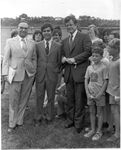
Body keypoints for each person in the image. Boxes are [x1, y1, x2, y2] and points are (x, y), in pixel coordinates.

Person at [2, 22, 37, 132]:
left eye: (25, 28)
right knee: (13, 99)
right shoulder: (10, 41)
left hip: (28, 74)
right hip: (15, 74)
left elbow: (34, 58)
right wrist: (4, 74)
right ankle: (12, 124)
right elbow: (6, 59)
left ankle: (19, 121)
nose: (23, 30)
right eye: (21, 28)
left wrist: (34, 69)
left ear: (28, 30)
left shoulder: (32, 43)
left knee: (24, 99)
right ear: (17, 29)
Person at [61, 15, 92, 133]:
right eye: (67, 25)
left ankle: (78, 123)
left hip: (79, 73)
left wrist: (74, 59)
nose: (69, 27)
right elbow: (62, 54)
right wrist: (63, 58)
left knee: (79, 100)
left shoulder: (84, 37)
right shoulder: (64, 40)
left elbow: (88, 51)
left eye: (71, 24)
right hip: (68, 74)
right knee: (70, 99)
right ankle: (70, 121)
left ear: (76, 25)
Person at [35, 23, 61, 125]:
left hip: (52, 75)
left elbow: (59, 62)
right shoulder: (37, 45)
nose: (46, 33)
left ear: (51, 32)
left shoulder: (58, 46)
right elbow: (36, 60)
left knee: (51, 97)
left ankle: (49, 117)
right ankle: (38, 117)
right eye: (44, 31)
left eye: (48, 31)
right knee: (39, 96)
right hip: (40, 75)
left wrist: (54, 71)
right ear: (42, 33)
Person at [84, 46, 108, 140]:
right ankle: (93, 129)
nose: (94, 58)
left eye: (97, 56)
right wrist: (87, 92)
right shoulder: (89, 67)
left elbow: (105, 81)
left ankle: (99, 131)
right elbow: (86, 80)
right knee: (92, 112)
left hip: (99, 94)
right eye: (93, 56)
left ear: (101, 57)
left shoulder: (104, 67)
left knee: (100, 113)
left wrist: (99, 94)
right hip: (90, 94)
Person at [106, 38, 120, 141]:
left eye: (110, 47)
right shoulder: (111, 59)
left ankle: (117, 133)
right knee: (111, 110)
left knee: (116, 111)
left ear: (116, 49)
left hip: (116, 92)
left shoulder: (119, 62)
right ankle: (111, 127)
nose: (108, 48)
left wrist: (118, 94)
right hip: (110, 89)